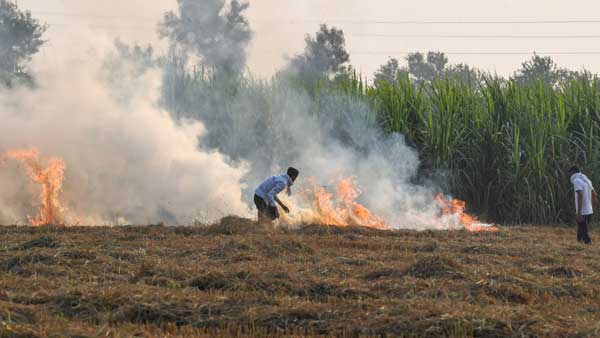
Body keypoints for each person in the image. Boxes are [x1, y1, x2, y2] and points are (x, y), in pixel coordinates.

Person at [568, 166, 596, 244]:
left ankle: (588, 244)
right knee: (580, 230)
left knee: (585, 234)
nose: (569, 176)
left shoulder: (576, 180)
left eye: (569, 174)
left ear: (572, 172)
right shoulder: (586, 179)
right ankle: (579, 243)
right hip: (589, 211)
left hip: (583, 211)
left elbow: (580, 195)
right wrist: (591, 207)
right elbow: (594, 194)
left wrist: (579, 213)